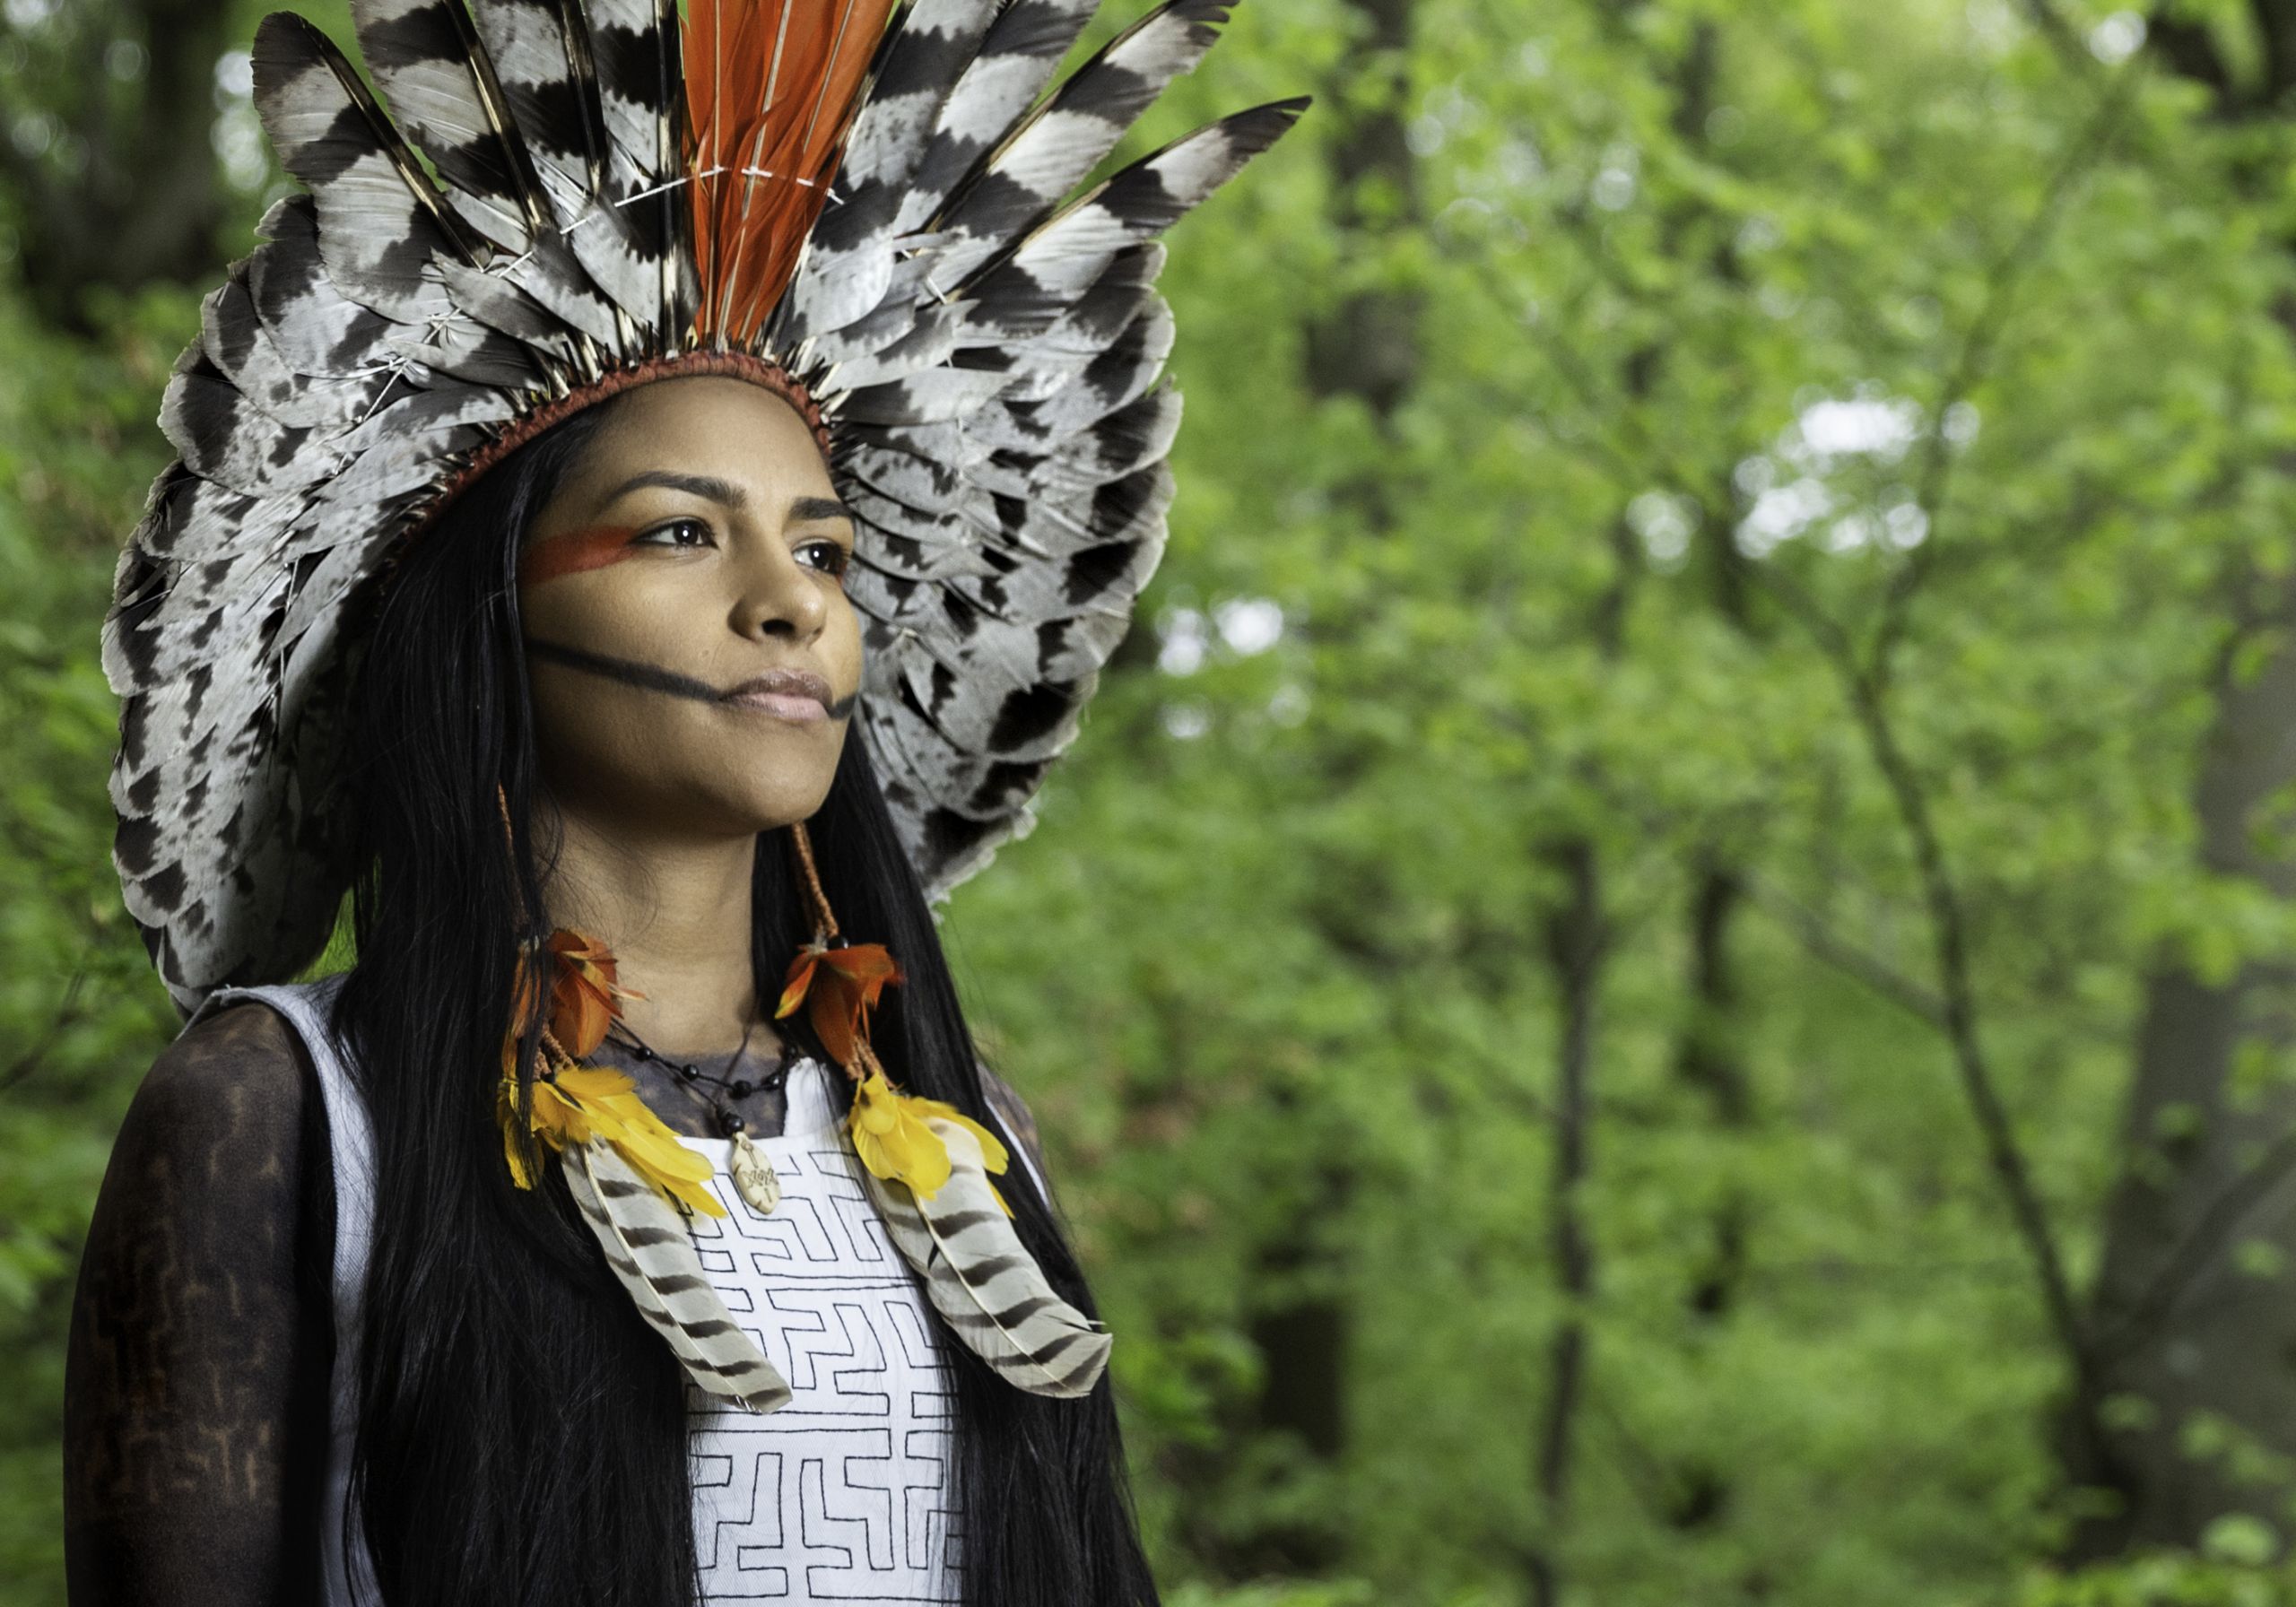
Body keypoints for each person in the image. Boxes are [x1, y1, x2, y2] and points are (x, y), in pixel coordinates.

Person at [60, 1, 1303, 1603]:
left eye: (830, 552)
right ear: (491, 612)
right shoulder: (281, 1115)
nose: (791, 601)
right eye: (676, 534)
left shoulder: (962, 1135)